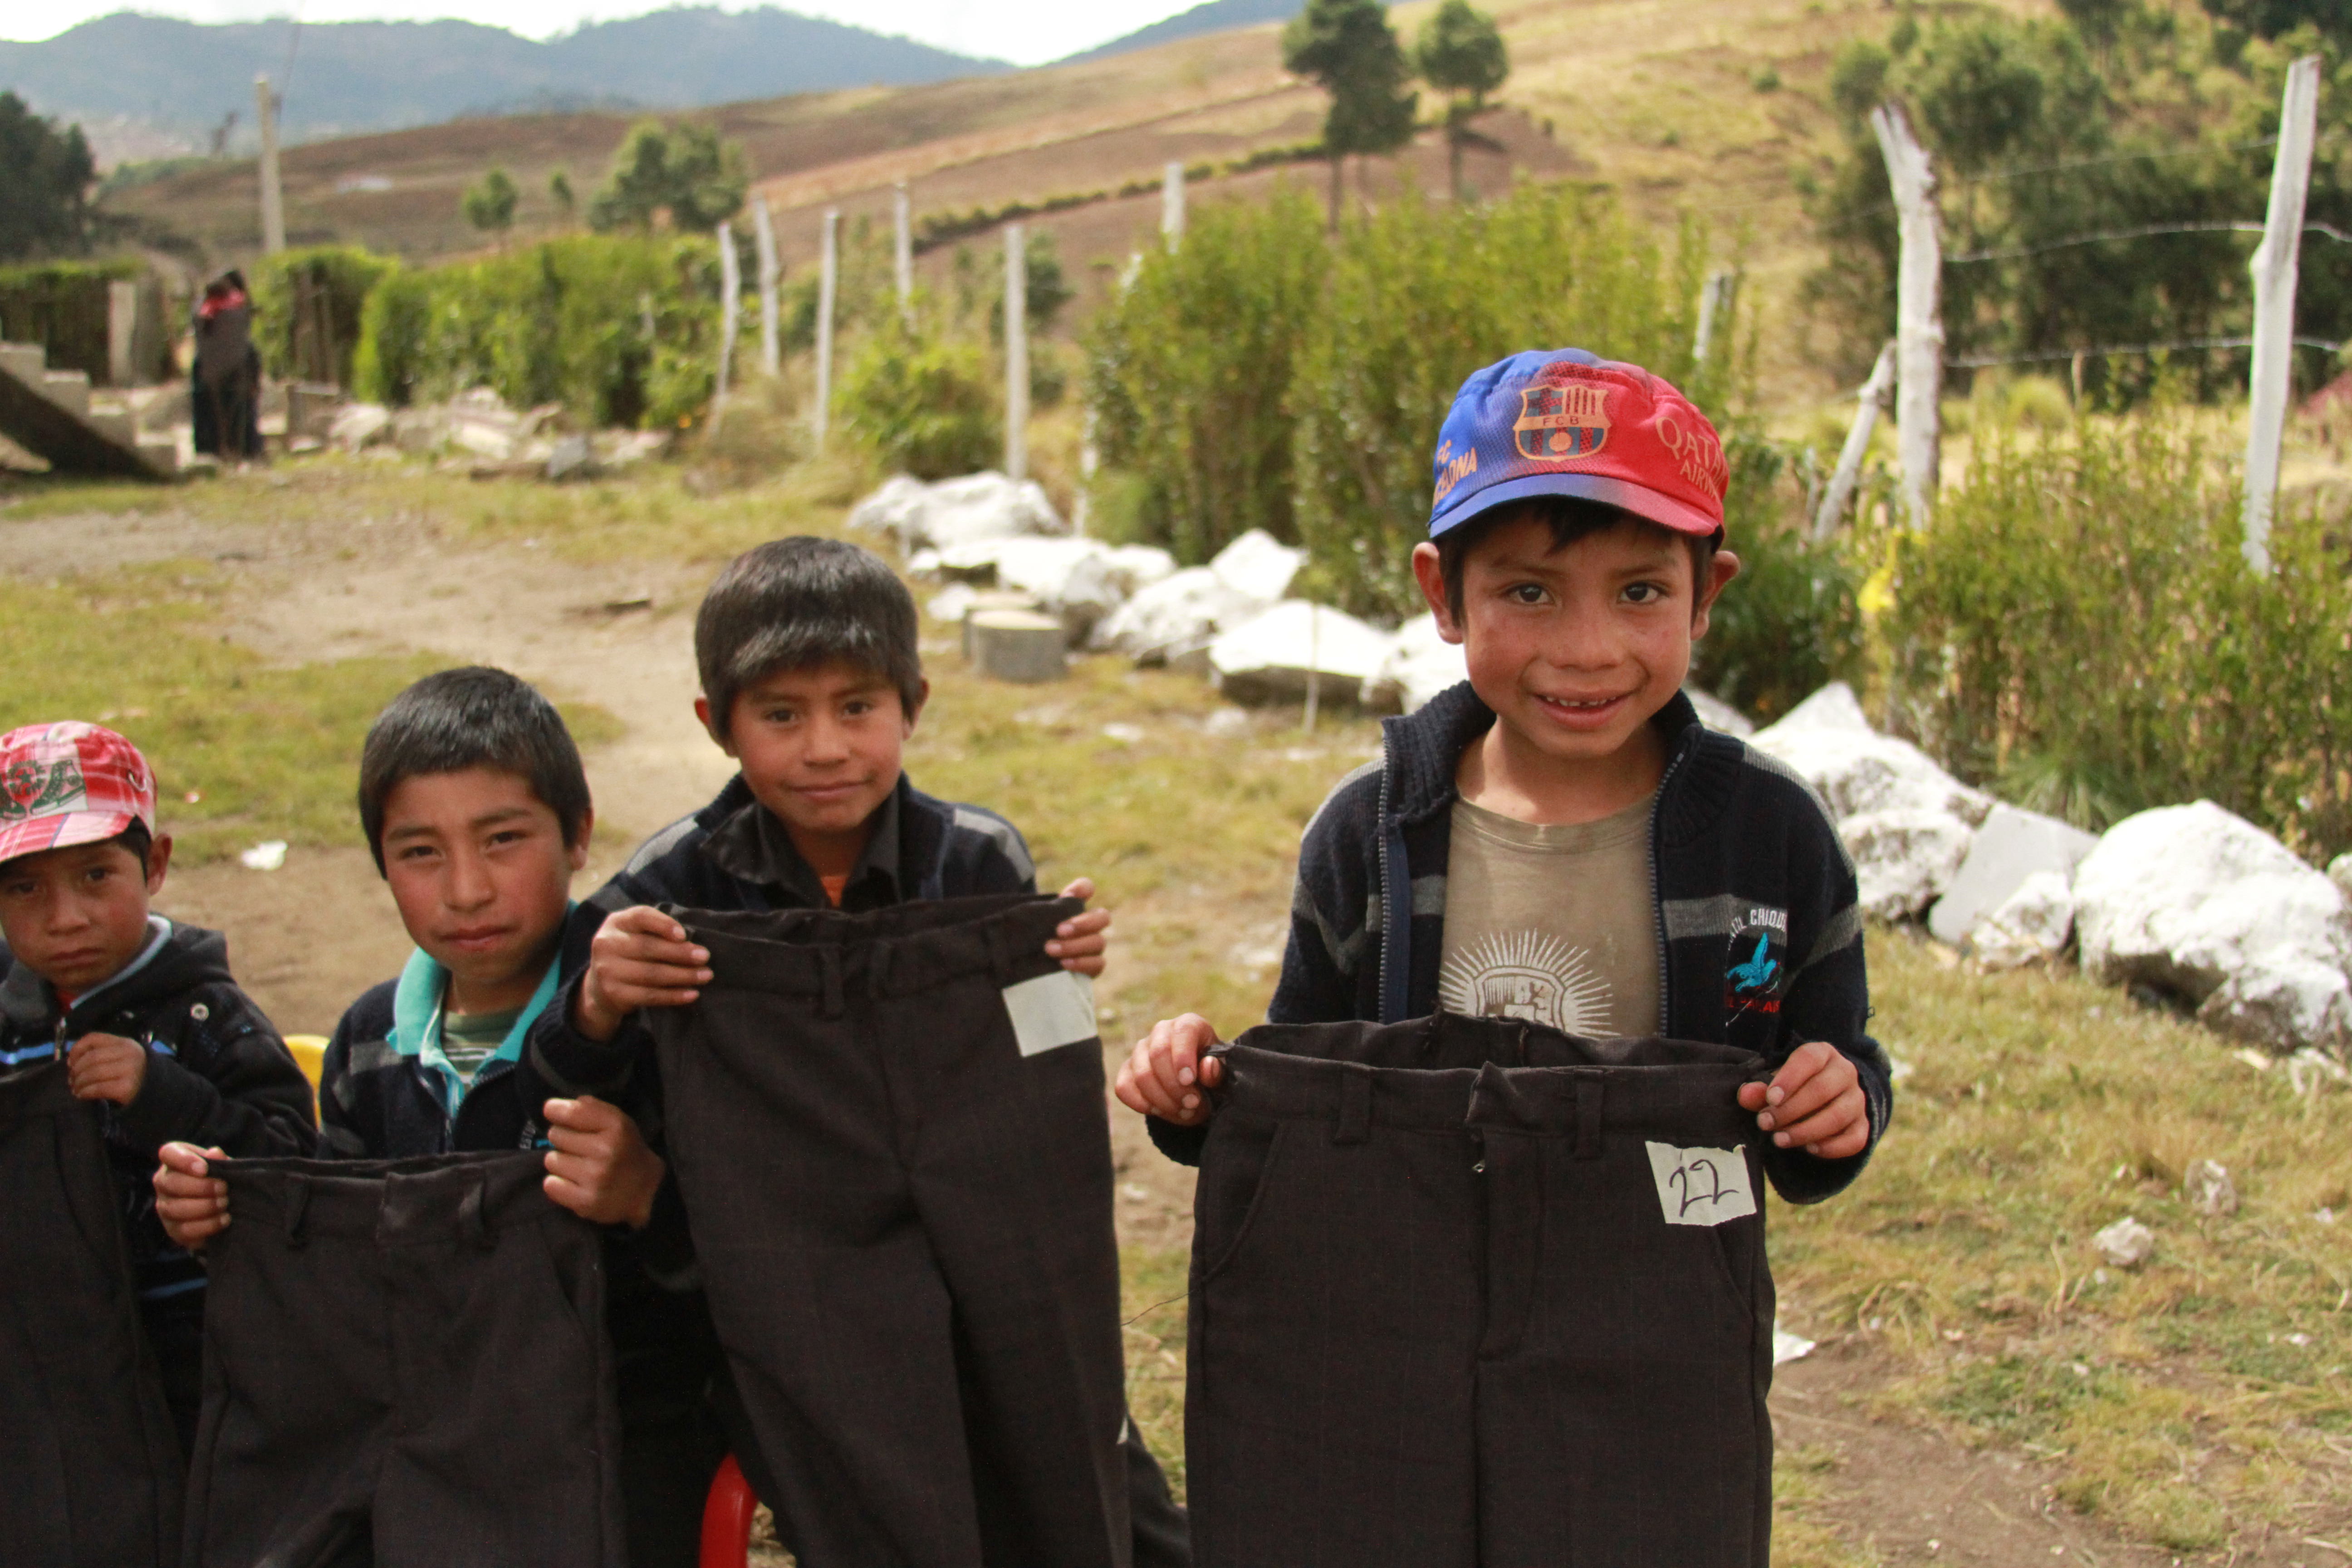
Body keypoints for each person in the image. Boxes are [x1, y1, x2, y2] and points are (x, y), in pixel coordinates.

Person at [518, 534, 1191, 1563]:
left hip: (976, 1254)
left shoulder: (977, 859)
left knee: (1100, 1493)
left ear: (911, 704)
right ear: (717, 722)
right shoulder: (667, 887)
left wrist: (1055, 974)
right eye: (781, 714)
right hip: (764, 1270)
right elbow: (561, 1088)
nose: (825, 747)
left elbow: (1040, 1079)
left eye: (856, 708)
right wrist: (601, 999)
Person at [1117, 348, 1892, 1199]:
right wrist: (1196, 1089)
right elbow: (1303, 1087)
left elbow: (1831, 1072)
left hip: (1667, 1309)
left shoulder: (1771, 833)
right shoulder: (1368, 837)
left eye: (1639, 593)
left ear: (1705, 592)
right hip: (1412, 1295)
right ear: (1442, 595)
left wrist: (1837, 1102)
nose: (1586, 650)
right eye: (1529, 593)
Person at [152, 667, 724, 1568]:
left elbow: (742, 1285)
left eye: (502, 840)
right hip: (434, 1433)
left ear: (577, 837)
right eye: (421, 852)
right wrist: (225, 1229)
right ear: (381, 862)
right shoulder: (369, 1039)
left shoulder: (647, 1019)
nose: (465, 890)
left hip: (618, 1433)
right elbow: (345, 1285)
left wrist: (649, 1197)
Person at [0, 720, 315, 1453]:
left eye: (95, 876)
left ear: (157, 863)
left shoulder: (208, 1018)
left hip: (194, 1366)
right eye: (25, 888)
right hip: (44, 1367)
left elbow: (299, 1164)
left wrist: (163, 1096)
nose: (66, 916)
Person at [191, 270, 263, 462]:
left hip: (209, 369)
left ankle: (209, 450)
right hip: (238, 368)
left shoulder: (202, 309)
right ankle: (247, 449)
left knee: (210, 411)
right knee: (241, 410)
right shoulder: (238, 309)